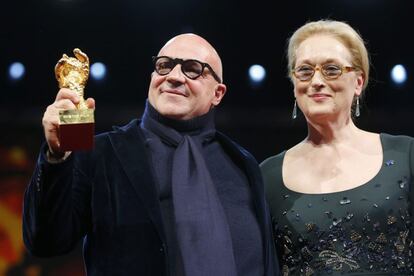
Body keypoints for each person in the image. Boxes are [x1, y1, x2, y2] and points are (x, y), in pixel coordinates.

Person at [23, 33, 280, 276]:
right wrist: (56, 157)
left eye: (192, 69)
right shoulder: (102, 153)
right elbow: (46, 242)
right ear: (152, 77)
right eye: (164, 65)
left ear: (218, 93)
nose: (174, 77)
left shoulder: (242, 163)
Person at [261, 20, 414, 275]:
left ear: (358, 82)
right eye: (305, 71)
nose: (317, 81)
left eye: (331, 69)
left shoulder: (405, 156)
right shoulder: (267, 175)